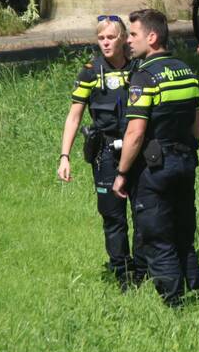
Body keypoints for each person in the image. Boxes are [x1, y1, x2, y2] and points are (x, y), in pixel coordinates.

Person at [112, 9, 199, 306]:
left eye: (134, 35)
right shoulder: (186, 71)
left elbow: (135, 134)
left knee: (157, 235)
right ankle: (196, 290)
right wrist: (184, 150)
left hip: (155, 168)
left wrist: (123, 173)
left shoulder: (144, 76)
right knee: (183, 232)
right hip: (185, 162)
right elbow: (197, 124)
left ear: (151, 38)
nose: (129, 41)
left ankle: (175, 304)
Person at [57, 15, 145, 288]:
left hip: (137, 148)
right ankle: (123, 274)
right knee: (113, 216)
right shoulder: (90, 72)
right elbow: (74, 117)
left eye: (110, 38)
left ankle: (144, 270)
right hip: (105, 152)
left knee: (142, 212)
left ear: (122, 39)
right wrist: (64, 156)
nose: (105, 43)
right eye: (101, 38)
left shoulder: (139, 67)